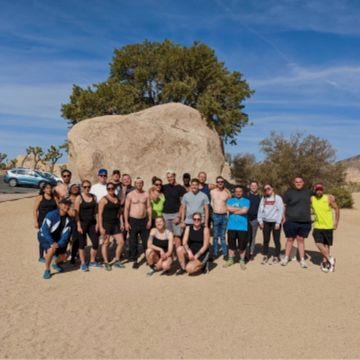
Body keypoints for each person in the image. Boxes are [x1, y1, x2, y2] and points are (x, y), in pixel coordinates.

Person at [38, 197, 73, 280]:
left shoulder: (69, 219)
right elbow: (45, 229)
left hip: (57, 238)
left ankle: (55, 263)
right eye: (65, 204)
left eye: (69, 205)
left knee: (65, 256)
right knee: (51, 250)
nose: (67, 206)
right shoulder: (51, 214)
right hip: (45, 236)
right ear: (59, 205)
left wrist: (59, 244)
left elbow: (66, 234)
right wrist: (52, 242)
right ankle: (47, 269)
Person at [281, 176, 312, 268]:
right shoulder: (289, 192)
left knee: (301, 239)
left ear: (303, 182)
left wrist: (330, 196)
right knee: (290, 239)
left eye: (300, 181)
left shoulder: (308, 192)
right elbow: (284, 205)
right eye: (296, 182)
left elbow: (319, 195)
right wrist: (283, 217)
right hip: (290, 220)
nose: (298, 183)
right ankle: (286, 258)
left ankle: (302, 260)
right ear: (294, 183)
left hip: (304, 220)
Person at [311, 183, 339, 272]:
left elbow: (337, 209)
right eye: (317, 190)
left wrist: (336, 222)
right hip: (318, 225)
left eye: (321, 189)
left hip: (328, 226)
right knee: (318, 243)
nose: (319, 191)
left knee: (326, 244)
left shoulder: (328, 198)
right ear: (315, 190)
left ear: (322, 190)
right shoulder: (312, 198)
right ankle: (331, 259)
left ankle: (326, 262)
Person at [124, 177, 152, 268]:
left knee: (146, 241)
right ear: (135, 184)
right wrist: (126, 222)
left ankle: (148, 258)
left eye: (141, 183)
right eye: (137, 183)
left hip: (144, 220)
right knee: (133, 241)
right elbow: (126, 209)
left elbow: (148, 208)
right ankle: (135, 260)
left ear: (143, 184)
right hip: (133, 221)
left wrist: (150, 220)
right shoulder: (130, 195)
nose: (139, 184)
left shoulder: (146, 195)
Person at [74, 180, 101, 271]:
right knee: (81, 244)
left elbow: (96, 212)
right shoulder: (79, 198)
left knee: (96, 242)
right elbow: (76, 213)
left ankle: (92, 261)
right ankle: (83, 263)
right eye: (85, 187)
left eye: (88, 186)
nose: (87, 188)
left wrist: (98, 223)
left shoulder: (94, 197)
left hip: (92, 223)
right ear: (82, 187)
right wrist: (78, 225)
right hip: (82, 223)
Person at [98, 182, 125, 271]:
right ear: (107, 189)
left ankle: (117, 260)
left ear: (114, 189)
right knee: (106, 243)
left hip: (116, 223)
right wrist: (101, 227)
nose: (111, 190)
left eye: (112, 188)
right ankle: (106, 262)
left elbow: (120, 213)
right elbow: (100, 214)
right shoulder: (104, 199)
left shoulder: (117, 199)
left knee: (121, 242)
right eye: (109, 189)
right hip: (106, 224)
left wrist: (121, 223)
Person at [223, 186, 250, 270]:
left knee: (242, 245)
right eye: (236, 191)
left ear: (242, 192)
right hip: (231, 226)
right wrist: (240, 209)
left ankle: (242, 260)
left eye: (240, 191)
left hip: (242, 227)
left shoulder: (246, 201)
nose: (238, 193)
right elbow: (228, 208)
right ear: (234, 192)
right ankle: (231, 260)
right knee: (231, 245)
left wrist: (234, 210)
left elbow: (245, 211)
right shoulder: (230, 200)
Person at [257, 184, 284, 264]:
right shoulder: (263, 198)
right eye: (265, 189)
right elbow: (260, 210)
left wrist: (278, 222)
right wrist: (260, 221)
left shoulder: (278, 198)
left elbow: (280, 210)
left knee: (276, 240)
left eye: (268, 188)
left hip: (275, 222)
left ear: (272, 188)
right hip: (266, 222)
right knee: (266, 239)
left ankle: (276, 256)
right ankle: (265, 255)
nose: (267, 190)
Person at [162, 171, 187, 248]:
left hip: (176, 214)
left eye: (171, 177)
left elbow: (183, 204)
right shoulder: (164, 187)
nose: (170, 179)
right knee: (168, 236)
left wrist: (179, 216)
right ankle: (171, 254)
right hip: (165, 215)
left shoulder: (181, 188)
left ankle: (178, 252)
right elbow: (153, 189)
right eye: (168, 177)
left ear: (175, 176)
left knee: (177, 235)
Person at [33, 183, 57, 262]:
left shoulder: (54, 198)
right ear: (43, 189)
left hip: (53, 222)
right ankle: (41, 256)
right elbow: (35, 210)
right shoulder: (39, 198)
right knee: (43, 238)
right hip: (42, 221)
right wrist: (35, 221)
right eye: (47, 188)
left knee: (52, 237)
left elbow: (58, 208)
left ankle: (50, 254)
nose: (49, 189)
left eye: (50, 188)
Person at [210, 176, 231, 259]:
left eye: (221, 181)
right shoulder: (212, 192)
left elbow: (229, 204)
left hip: (224, 215)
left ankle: (225, 254)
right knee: (215, 236)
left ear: (224, 182)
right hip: (215, 215)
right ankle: (215, 253)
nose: (220, 183)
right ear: (216, 182)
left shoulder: (227, 193)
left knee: (222, 236)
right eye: (218, 182)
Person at [247, 181, 261, 260]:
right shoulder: (246, 195)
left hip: (255, 220)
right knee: (245, 236)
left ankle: (251, 253)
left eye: (255, 185)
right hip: (246, 219)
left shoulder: (260, 197)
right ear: (250, 186)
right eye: (252, 185)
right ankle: (245, 253)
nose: (253, 187)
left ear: (257, 187)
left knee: (253, 237)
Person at [68, 183, 81, 264]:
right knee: (68, 238)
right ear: (70, 189)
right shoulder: (66, 198)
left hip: (79, 220)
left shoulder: (81, 198)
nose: (75, 188)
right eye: (73, 187)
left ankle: (74, 255)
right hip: (69, 220)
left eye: (77, 187)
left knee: (77, 239)